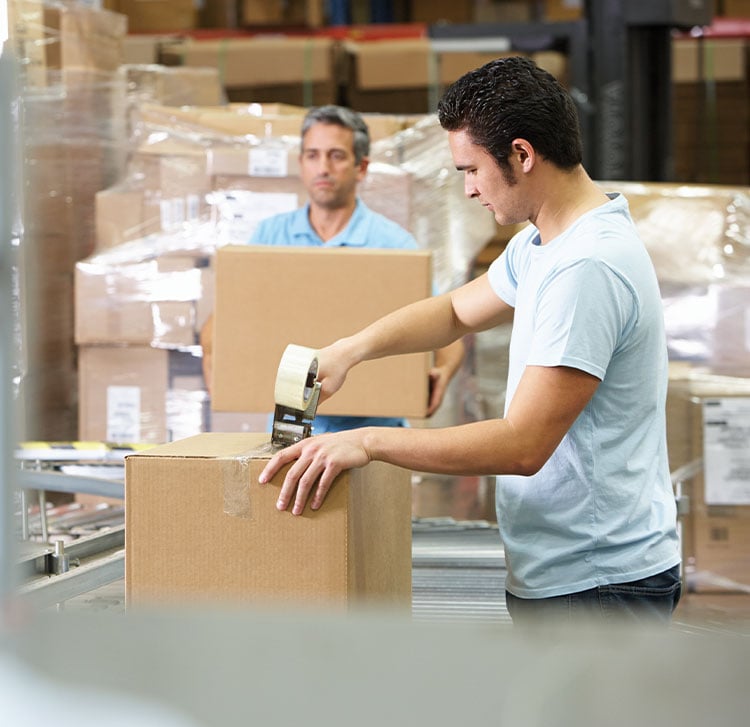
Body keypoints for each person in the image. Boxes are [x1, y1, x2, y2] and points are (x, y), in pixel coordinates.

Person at [259, 57, 682, 626]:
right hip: (566, 569)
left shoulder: (587, 267)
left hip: (599, 580)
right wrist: (349, 351)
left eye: (472, 170)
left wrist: (369, 444)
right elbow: (456, 310)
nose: (468, 190)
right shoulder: (543, 245)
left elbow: (522, 445)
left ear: (523, 154)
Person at [201, 104, 464, 431]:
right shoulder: (270, 238)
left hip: (375, 433)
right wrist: (217, 366)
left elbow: (446, 329)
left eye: (336, 156)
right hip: (290, 428)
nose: (323, 167)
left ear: (361, 167)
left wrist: (444, 370)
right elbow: (223, 323)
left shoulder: (393, 246)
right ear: (301, 164)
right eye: (312, 155)